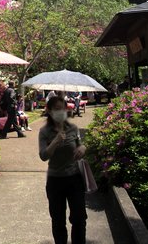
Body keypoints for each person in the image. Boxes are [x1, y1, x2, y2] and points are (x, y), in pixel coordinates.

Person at [39, 96, 87, 244]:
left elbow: (80, 145)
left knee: (79, 218)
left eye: (63, 109)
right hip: (55, 181)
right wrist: (55, 141)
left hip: (74, 179)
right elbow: (43, 156)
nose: (61, 112)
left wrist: (83, 148)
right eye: (57, 109)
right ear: (50, 111)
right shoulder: (44, 131)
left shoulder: (73, 128)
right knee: (58, 220)